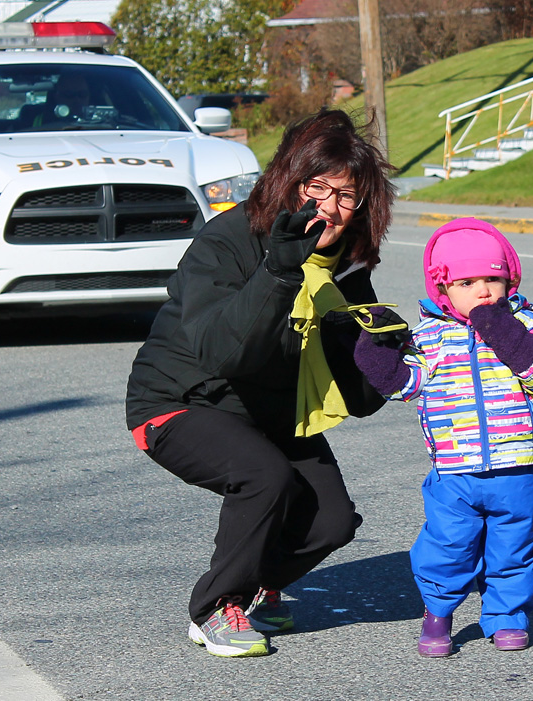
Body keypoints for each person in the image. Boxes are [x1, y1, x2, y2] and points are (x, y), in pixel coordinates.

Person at [125, 109, 400, 658]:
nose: (330, 207)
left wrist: (392, 355)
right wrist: (277, 273)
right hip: (181, 401)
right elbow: (223, 352)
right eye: (317, 187)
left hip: (270, 409)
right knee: (265, 477)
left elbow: (359, 393)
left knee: (333, 521)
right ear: (288, 181)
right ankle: (214, 608)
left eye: (348, 196)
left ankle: (254, 587)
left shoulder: (346, 267)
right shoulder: (228, 240)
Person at [352, 217, 533, 656]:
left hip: (519, 468)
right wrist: (374, 347)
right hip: (455, 471)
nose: (484, 291)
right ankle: (438, 614)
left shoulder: (529, 323)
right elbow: (404, 385)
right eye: (467, 282)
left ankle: (508, 616)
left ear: (510, 278)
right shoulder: (430, 336)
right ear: (442, 289)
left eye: (494, 279)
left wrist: (499, 327)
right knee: (447, 547)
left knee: (515, 547)